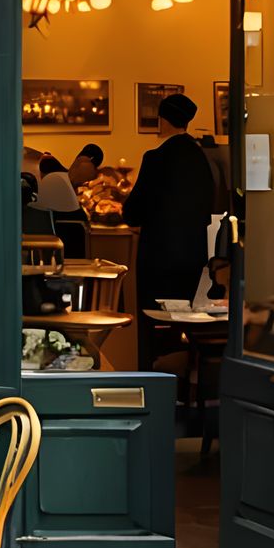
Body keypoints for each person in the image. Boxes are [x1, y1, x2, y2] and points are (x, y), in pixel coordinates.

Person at [121, 93, 217, 365]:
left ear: (162, 120)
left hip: (159, 257)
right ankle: (184, 373)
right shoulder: (202, 158)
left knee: (155, 322)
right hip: (193, 255)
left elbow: (133, 211)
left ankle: (156, 374)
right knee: (183, 319)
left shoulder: (156, 158)